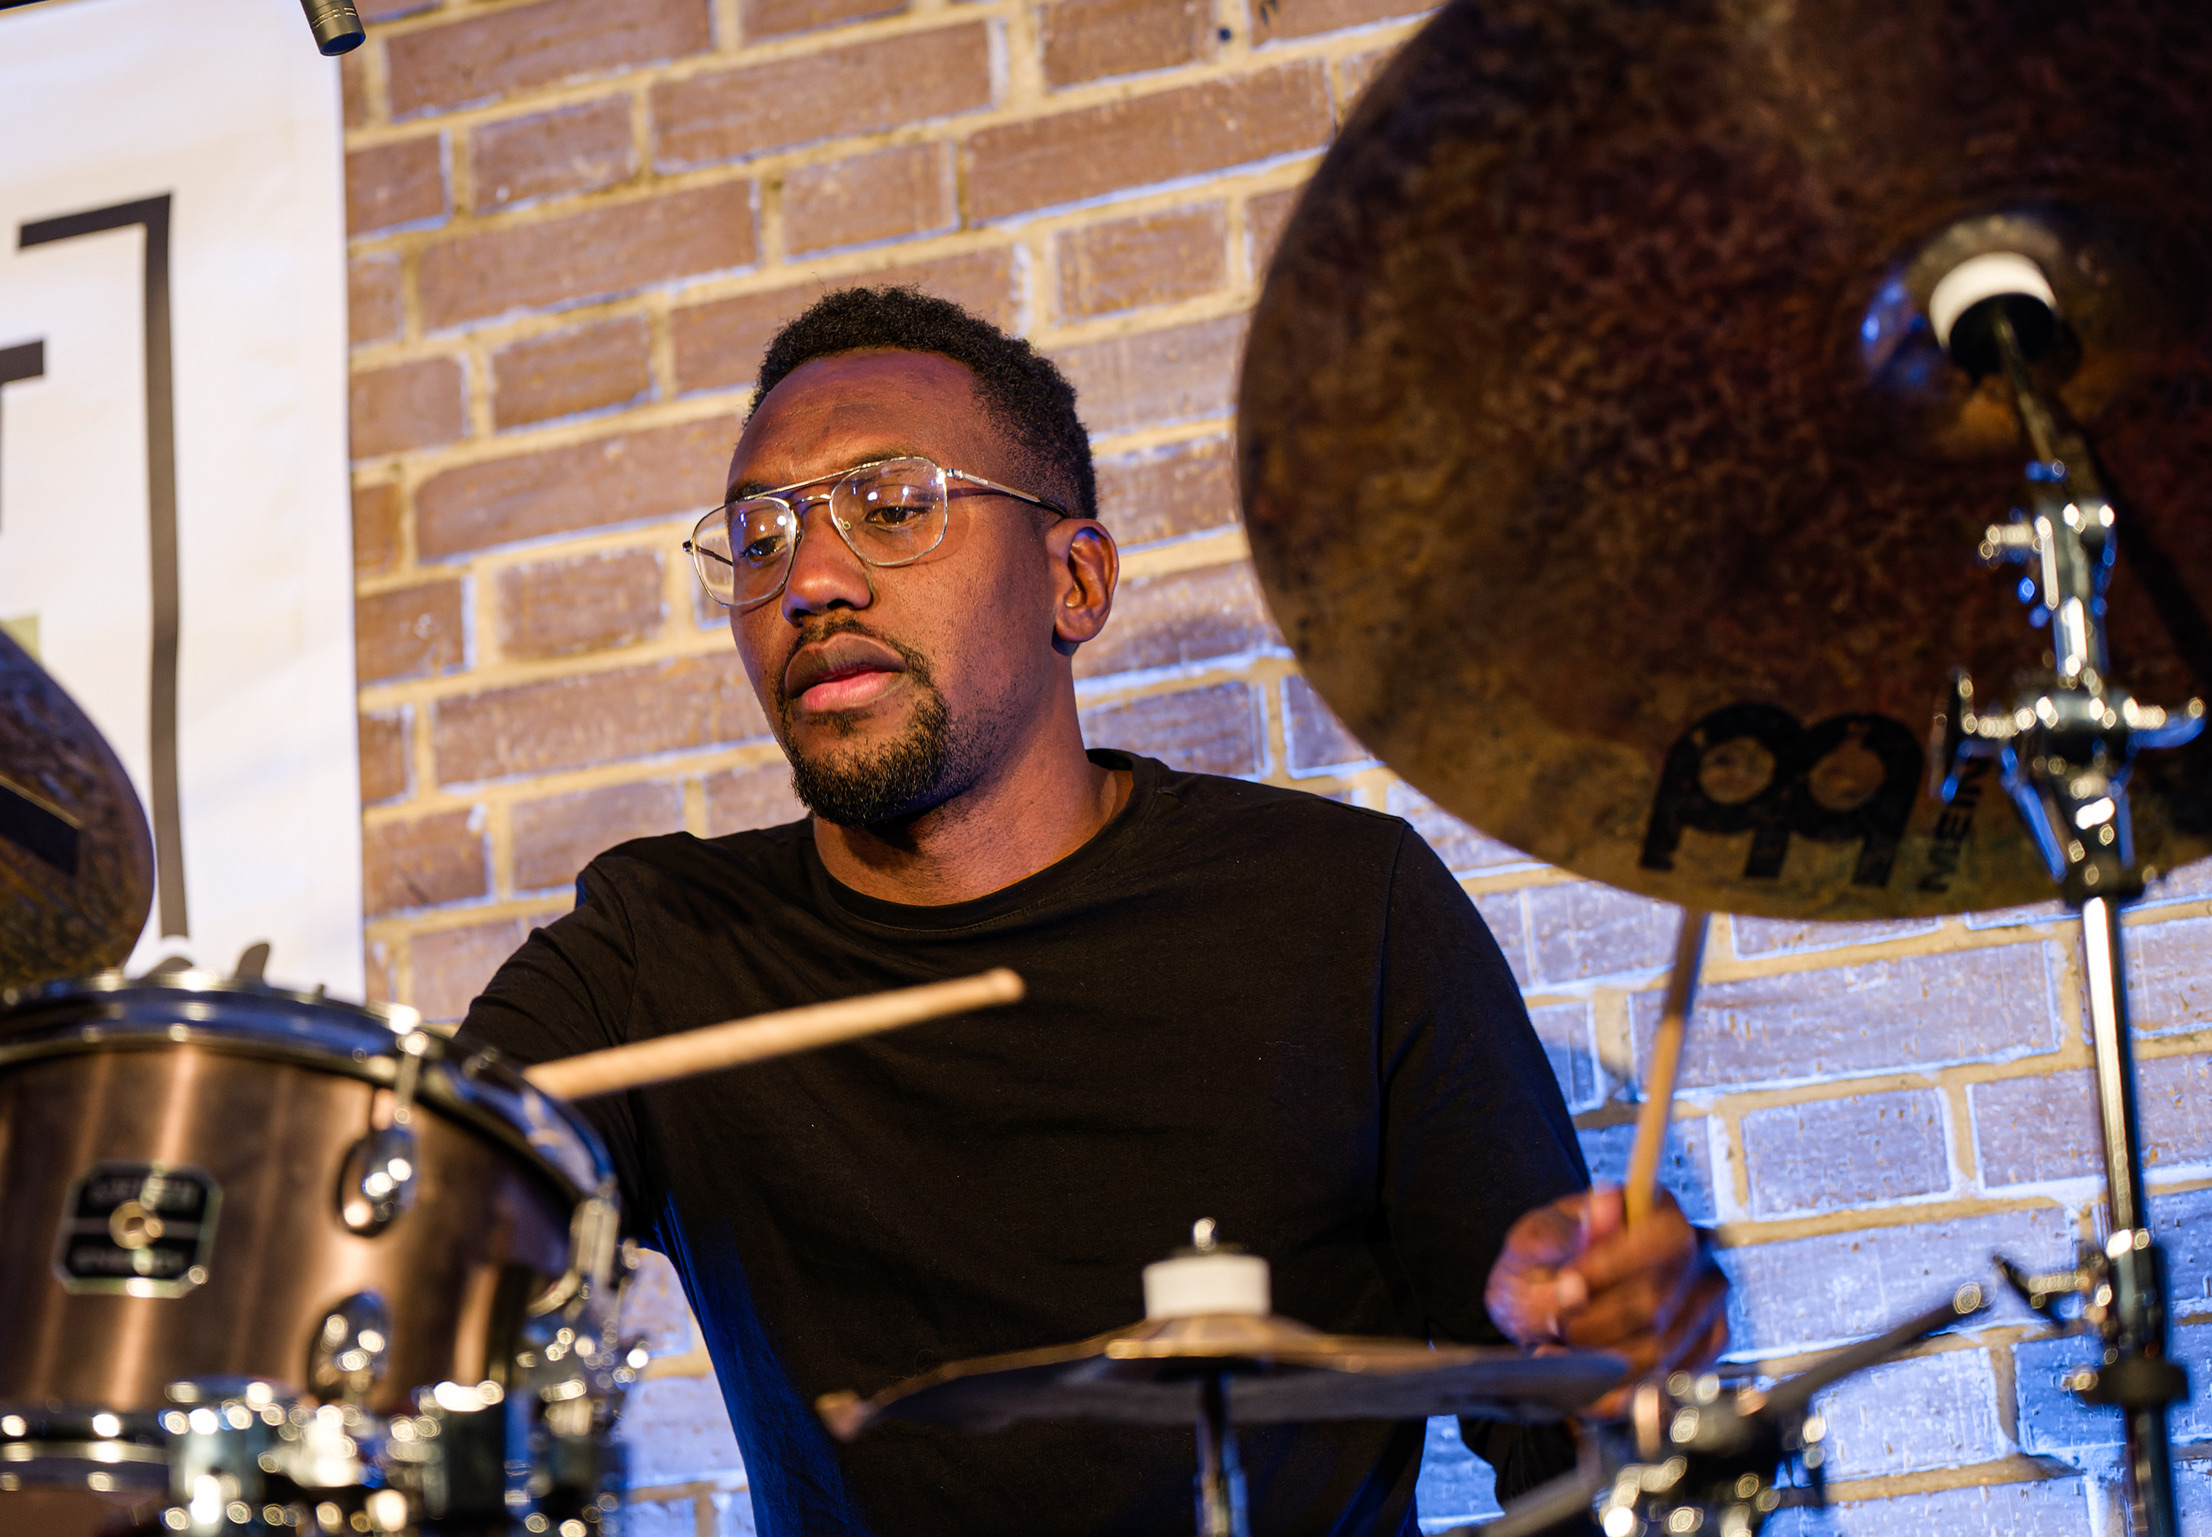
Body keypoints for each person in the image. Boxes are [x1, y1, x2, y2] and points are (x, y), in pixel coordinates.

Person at [459, 287, 1728, 1536]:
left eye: (893, 507)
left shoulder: (1343, 907)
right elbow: (419, 1194)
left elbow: (1568, 1437)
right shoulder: (661, 949)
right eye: (759, 537)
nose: (812, 579)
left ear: (1074, 580)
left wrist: (1612, 1350)